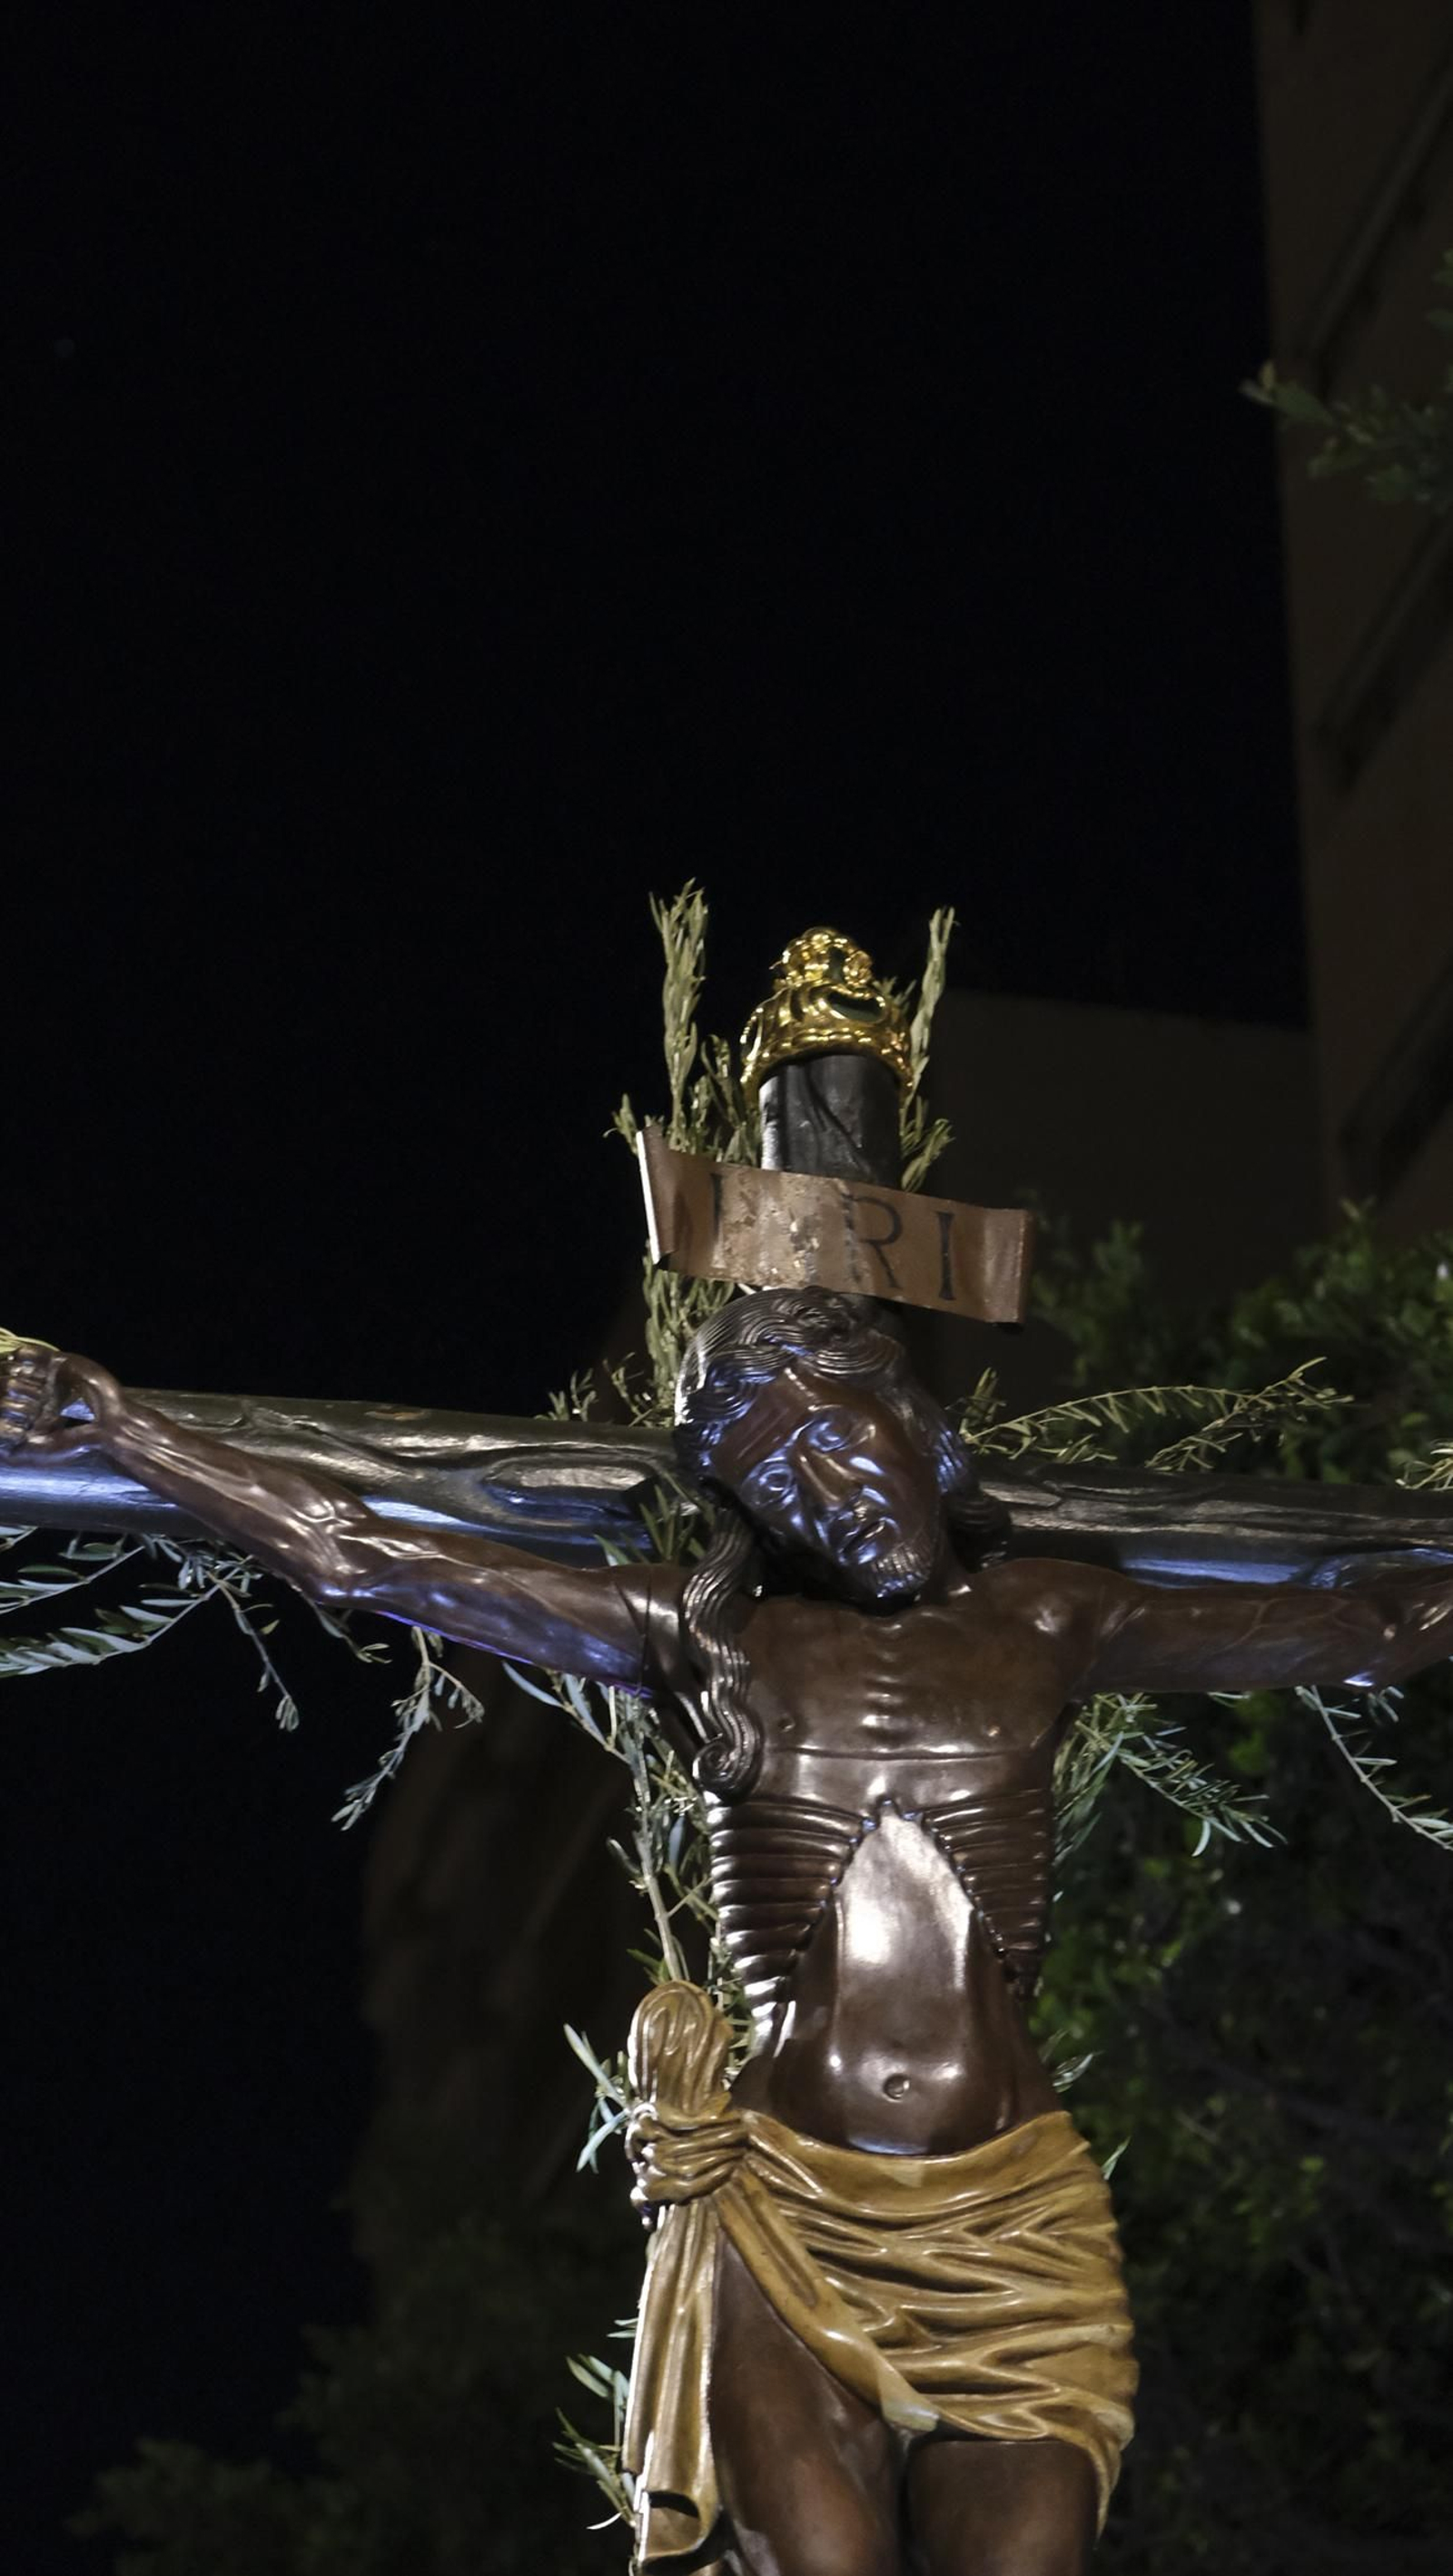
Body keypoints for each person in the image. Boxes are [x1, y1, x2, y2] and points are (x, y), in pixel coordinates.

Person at [5, 1294, 1451, 2576]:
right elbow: (359, 1550)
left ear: (914, 1426)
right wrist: (124, 1430)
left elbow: (1371, 1625)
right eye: (783, 1483)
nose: (832, 1496)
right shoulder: (706, 1641)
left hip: (1008, 2221)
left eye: (838, 1442)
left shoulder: (1051, 1619)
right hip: (784, 2208)